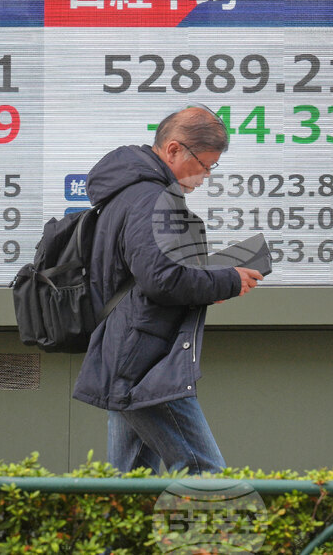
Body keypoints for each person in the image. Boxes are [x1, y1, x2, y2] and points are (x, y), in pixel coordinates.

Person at [72, 104, 263, 475]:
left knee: (130, 481)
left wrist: (207, 284)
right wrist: (227, 279)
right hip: (146, 361)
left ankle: (122, 536)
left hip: (128, 351)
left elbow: (152, 273)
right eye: (204, 165)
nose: (205, 176)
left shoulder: (128, 192)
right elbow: (161, 278)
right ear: (174, 149)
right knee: (205, 473)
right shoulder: (152, 198)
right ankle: (213, 537)